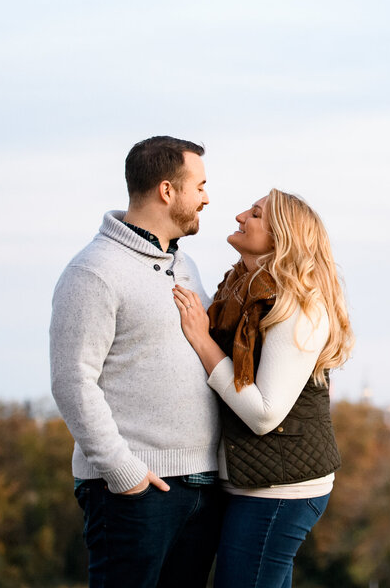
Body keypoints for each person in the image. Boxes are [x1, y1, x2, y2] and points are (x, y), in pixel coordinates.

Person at [50, 136, 224, 588]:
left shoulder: (183, 265)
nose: (207, 197)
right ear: (167, 190)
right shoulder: (94, 271)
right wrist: (123, 472)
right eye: (200, 185)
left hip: (201, 486)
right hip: (136, 492)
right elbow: (72, 380)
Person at [173, 188, 354, 588]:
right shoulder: (240, 291)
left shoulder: (299, 306)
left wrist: (202, 341)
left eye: (255, 214)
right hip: (252, 481)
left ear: (280, 237)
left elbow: (263, 414)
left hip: (280, 490)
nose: (239, 215)